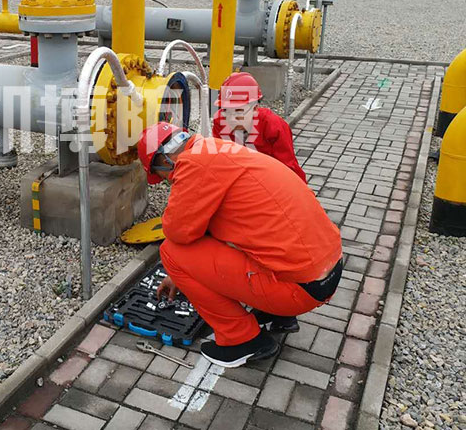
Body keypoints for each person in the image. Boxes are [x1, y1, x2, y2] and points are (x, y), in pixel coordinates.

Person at [137, 122, 342, 368]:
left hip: (299, 289)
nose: (168, 182)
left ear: (164, 162)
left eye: (161, 177)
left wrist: (179, 272)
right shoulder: (218, 149)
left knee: (171, 252)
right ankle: (277, 314)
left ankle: (241, 340)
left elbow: (177, 232)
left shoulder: (193, 165)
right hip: (325, 270)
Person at [212, 72, 306, 182]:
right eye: (226, 110)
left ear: (255, 109)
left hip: (271, 181)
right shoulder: (220, 122)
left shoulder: (274, 127)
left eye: (238, 111)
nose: (231, 118)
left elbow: (288, 171)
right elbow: (220, 163)